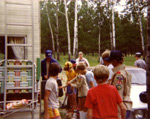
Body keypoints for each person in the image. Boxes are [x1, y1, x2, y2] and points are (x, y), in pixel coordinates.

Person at [109, 50, 132, 119]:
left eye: (111, 61)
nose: (111, 63)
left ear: (115, 61)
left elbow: (118, 94)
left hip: (121, 107)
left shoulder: (119, 75)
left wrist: (118, 113)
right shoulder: (126, 72)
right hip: (126, 105)